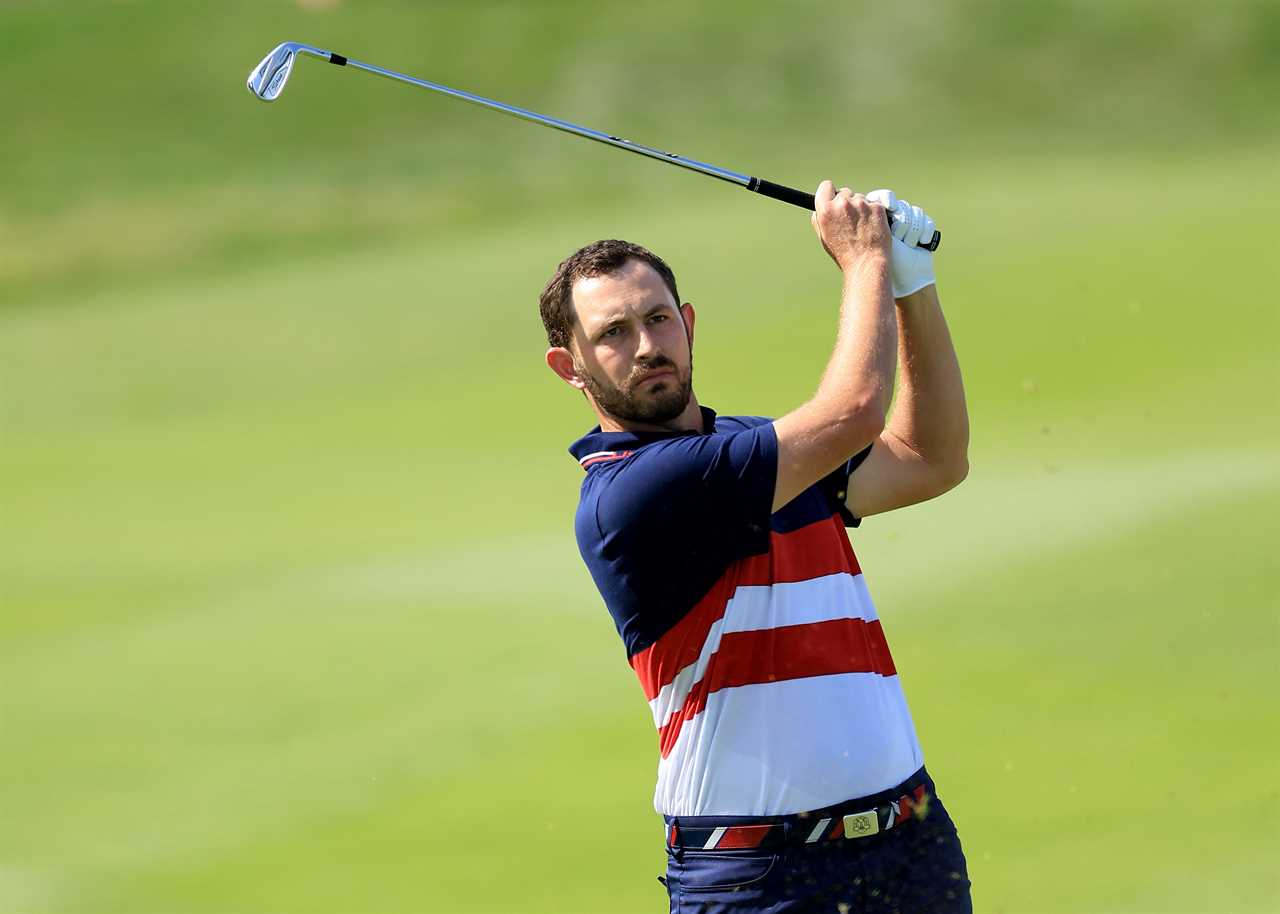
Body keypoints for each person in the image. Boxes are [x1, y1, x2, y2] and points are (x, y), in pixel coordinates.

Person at [539, 182, 972, 913]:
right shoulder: (631, 494)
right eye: (613, 333)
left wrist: (912, 283)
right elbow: (855, 412)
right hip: (763, 878)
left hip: (910, 842)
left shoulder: (758, 452)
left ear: (689, 325)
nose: (646, 346)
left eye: (658, 319)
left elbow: (931, 458)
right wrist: (864, 257)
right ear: (569, 366)